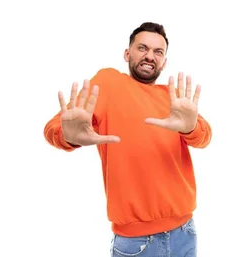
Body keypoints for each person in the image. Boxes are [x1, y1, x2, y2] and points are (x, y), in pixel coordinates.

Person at [43, 22, 212, 257]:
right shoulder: (109, 83)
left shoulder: (171, 99)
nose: (150, 56)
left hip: (185, 232)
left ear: (164, 62)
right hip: (137, 243)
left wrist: (191, 126)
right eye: (142, 48)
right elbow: (55, 128)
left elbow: (204, 136)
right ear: (127, 53)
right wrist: (68, 137)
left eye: (158, 52)